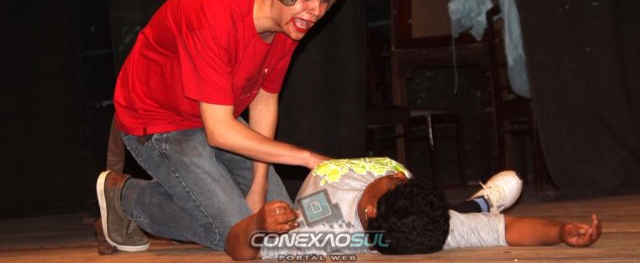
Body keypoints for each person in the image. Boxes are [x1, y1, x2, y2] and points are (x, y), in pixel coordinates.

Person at [96, 0, 363, 252]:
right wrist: (307, 158)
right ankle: (125, 196)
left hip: (216, 113)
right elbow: (219, 132)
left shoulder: (290, 23)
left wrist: (258, 187)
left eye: (324, 0)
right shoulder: (212, 15)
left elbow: (264, 100)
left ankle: (196, 200)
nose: (315, 11)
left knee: (281, 225)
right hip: (157, 120)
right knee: (245, 235)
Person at [225, 157, 602, 260]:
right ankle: (477, 205)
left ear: (372, 208)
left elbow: (238, 248)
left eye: (395, 182)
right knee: (466, 216)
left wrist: (258, 222)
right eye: (399, 180)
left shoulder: (322, 222)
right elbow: (511, 229)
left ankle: (475, 205)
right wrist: (559, 230)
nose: (396, 175)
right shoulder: (430, 227)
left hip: (311, 198)